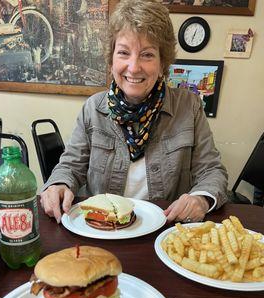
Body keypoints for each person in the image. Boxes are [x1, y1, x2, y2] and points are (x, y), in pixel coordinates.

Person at [40, 0, 228, 224]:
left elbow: (212, 170)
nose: (133, 67)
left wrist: (201, 199)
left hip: (166, 229)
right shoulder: (93, 108)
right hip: (102, 229)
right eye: (123, 53)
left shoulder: (189, 106)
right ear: (111, 60)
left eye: (147, 55)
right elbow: (70, 166)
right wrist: (58, 185)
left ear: (162, 63)